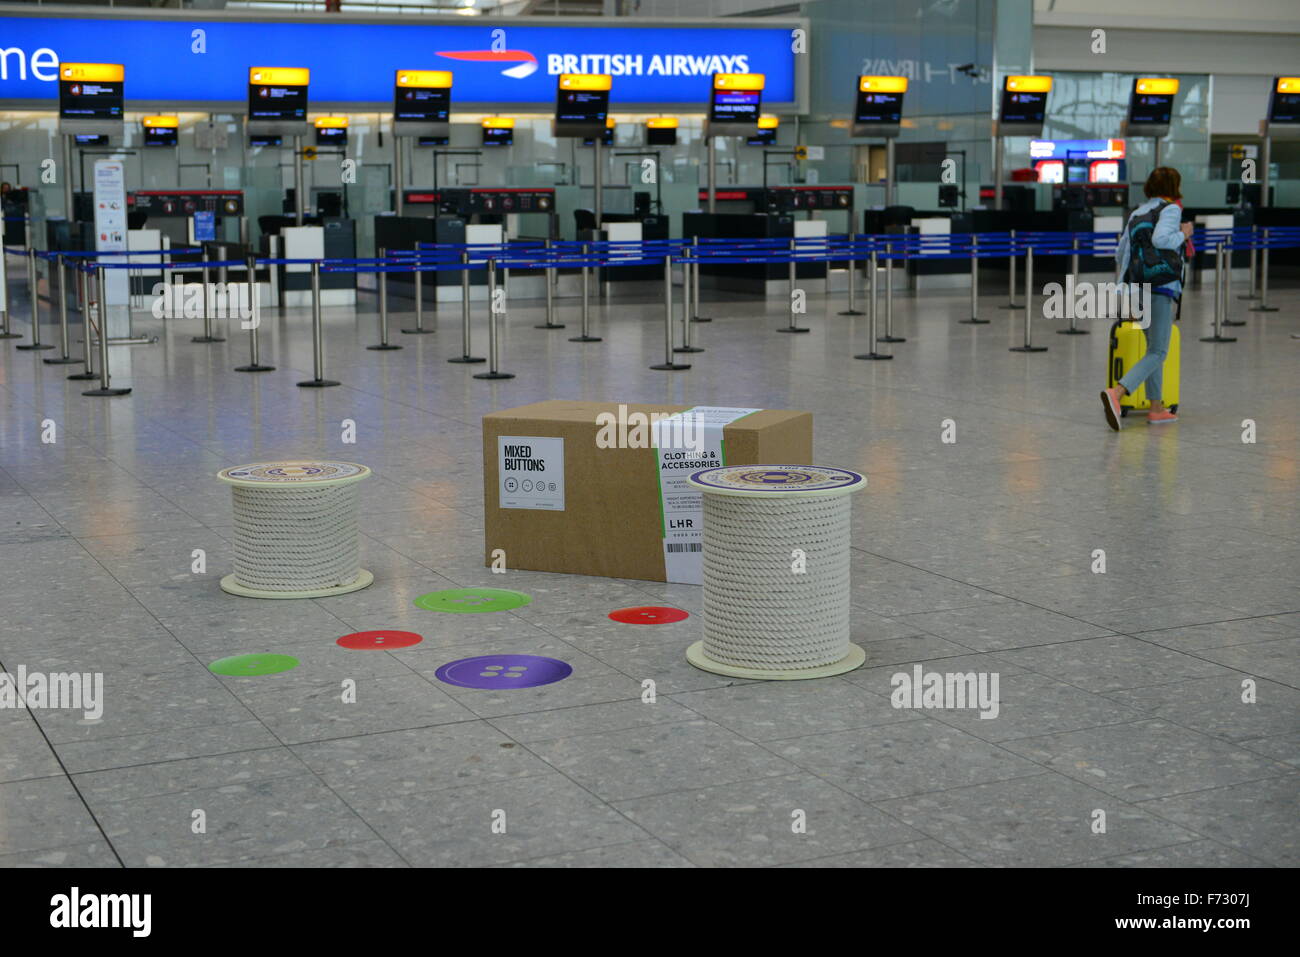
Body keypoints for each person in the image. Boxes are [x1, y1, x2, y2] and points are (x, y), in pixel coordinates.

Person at [1100, 166, 1194, 431]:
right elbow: (1162, 240)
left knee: (1153, 347)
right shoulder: (1170, 209)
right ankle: (1117, 394)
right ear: (1174, 187)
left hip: (1137, 287)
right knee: (1158, 350)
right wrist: (1184, 234)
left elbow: (1121, 253)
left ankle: (1156, 408)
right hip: (1160, 286)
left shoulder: (1138, 212)